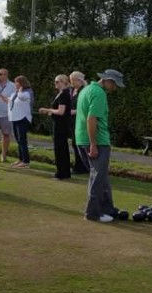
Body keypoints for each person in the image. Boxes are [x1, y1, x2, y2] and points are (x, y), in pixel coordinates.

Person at [75, 69, 125, 223]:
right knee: (97, 177)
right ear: (107, 80)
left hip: (81, 137)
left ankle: (107, 209)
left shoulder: (87, 89)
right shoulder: (99, 94)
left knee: (100, 175)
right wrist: (93, 144)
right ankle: (93, 213)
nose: (115, 88)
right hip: (97, 140)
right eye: (114, 84)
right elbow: (91, 119)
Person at [38, 74, 72, 179]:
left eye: (58, 82)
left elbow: (61, 111)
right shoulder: (62, 94)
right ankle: (64, 172)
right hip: (60, 123)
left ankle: (62, 173)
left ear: (64, 82)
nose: (55, 84)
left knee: (60, 148)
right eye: (55, 82)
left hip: (61, 125)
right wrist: (51, 112)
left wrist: (47, 110)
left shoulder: (64, 94)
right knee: (62, 148)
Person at [8, 75, 33, 168]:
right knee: (18, 140)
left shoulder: (27, 92)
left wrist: (20, 89)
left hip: (23, 118)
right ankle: (20, 159)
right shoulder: (17, 92)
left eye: (16, 82)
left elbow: (21, 97)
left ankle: (26, 161)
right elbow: (12, 101)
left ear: (21, 83)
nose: (15, 84)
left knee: (22, 140)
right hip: (15, 118)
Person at [69, 71, 90, 175]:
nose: (71, 82)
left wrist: (74, 111)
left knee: (80, 144)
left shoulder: (85, 91)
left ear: (79, 80)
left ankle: (83, 167)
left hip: (80, 121)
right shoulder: (72, 90)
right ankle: (78, 166)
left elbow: (87, 108)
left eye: (72, 80)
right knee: (74, 143)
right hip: (72, 121)